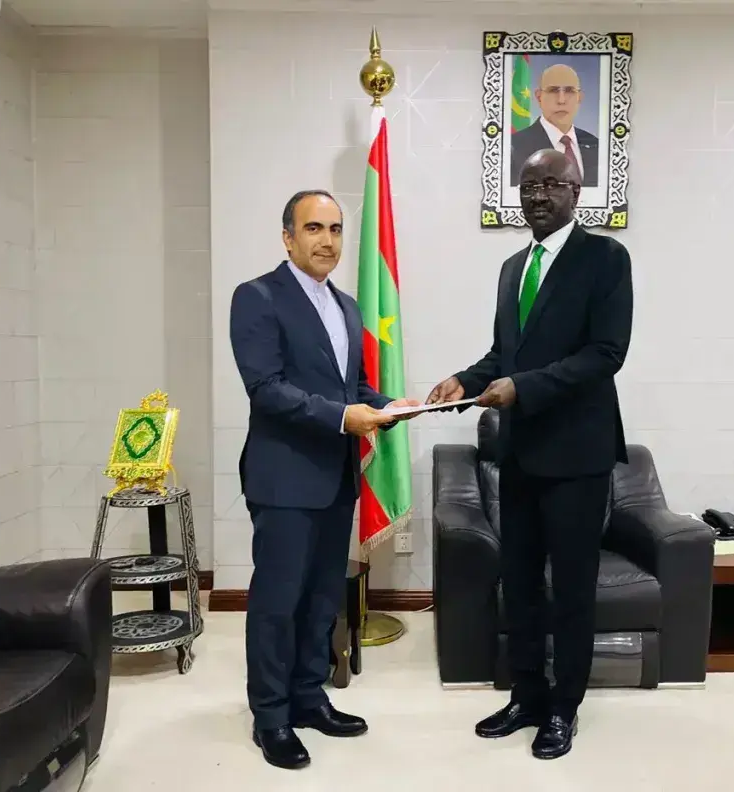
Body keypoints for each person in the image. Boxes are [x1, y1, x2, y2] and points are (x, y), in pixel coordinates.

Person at [426, 150, 633, 760]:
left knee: (571, 588)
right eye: (527, 186)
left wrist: (523, 388)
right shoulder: (513, 267)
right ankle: (526, 695)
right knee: (518, 583)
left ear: (576, 192)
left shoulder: (606, 258)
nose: (538, 196)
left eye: (551, 185)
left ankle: (564, 708)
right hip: (518, 454)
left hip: (577, 456)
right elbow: (505, 354)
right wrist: (465, 381)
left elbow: (606, 353)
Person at [229, 189, 419, 770]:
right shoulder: (257, 297)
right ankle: (271, 715)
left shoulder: (348, 307)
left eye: (335, 229)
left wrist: (387, 406)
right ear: (288, 237)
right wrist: (343, 418)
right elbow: (266, 389)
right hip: (283, 481)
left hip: (336, 479)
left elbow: (352, 389)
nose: (327, 240)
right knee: (277, 602)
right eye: (314, 228)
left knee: (321, 599)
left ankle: (310, 697)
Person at [510, 63, 600, 187]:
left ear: (579, 98)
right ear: (539, 97)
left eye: (569, 90)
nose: (561, 100)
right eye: (553, 90)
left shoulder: (596, 145)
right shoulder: (513, 147)